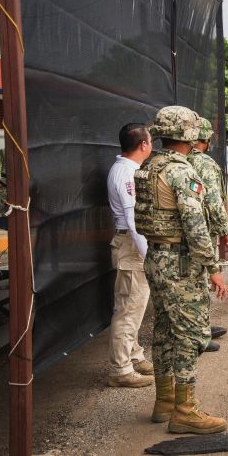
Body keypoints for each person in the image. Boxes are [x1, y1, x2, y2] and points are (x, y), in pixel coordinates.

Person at [134, 105, 228, 434]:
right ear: (189, 134)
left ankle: (164, 401)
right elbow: (195, 225)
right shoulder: (181, 171)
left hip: (155, 257)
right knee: (190, 335)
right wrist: (213, 267)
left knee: (163, 329)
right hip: (180, 263)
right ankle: (186, 411)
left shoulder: (148, 166)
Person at [105, 123, 155, 388]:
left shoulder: (128, 169)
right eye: (150, 140)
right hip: (132, 244)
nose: (152, 145)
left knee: (134, 306)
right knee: (128, 308)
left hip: (131, 242)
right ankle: (120, 370)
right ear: (143, 145)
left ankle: (134, 356)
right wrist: (147, 254)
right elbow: (133, 219)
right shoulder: (126, 173)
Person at [187, 117, 228, 353]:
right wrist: (225, 231)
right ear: (205, 139)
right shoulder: (204, 163)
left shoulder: (178, 159)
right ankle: (199, 333)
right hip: (202, 231)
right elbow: (215, 202)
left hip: (183, 232)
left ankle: (200, 327)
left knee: (190, 282)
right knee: (201, 279)